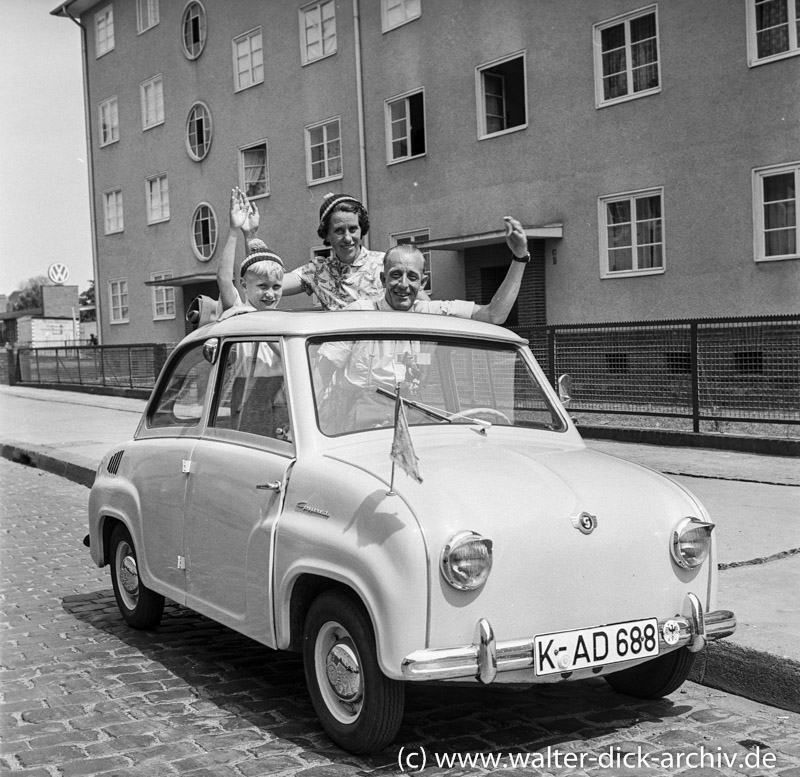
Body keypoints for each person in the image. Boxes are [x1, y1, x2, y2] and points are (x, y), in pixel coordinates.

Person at [316, 215, 529, 430]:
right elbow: (323, 372)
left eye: (412, 277)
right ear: (382, 280)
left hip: (412, 415)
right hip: (356, 423)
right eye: (396, 275)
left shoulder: (430, 315)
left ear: (423, 282)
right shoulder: (359, 314)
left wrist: (519, 258)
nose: (403, 284)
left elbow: (494, 315)